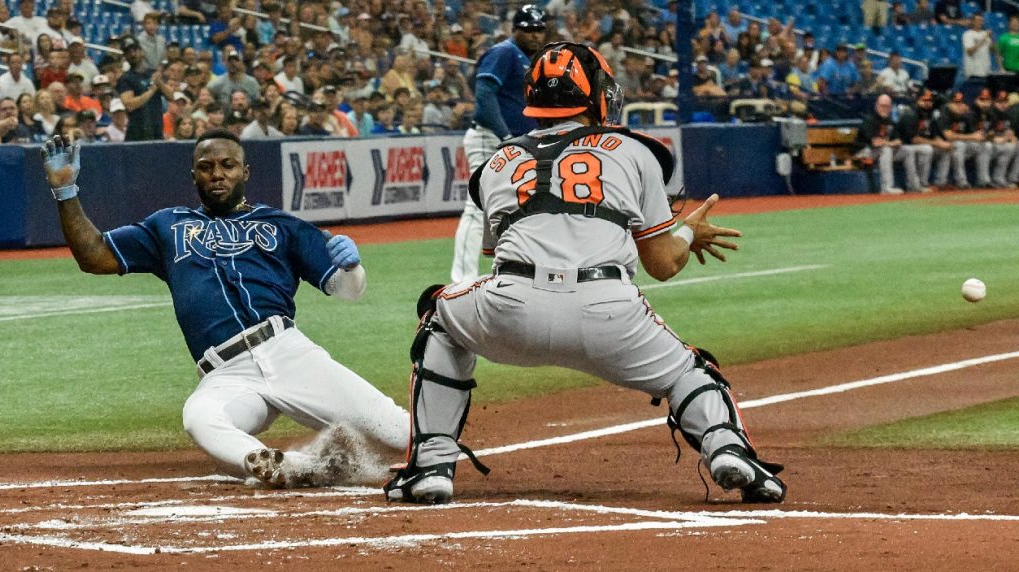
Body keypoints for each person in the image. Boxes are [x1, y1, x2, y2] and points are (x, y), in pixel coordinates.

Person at [383, 42, 786, 506]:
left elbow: (498, 259)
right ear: (593, 95)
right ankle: (728, 449)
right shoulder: (636, 152)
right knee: (691, 372)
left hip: (513, 307)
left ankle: (432, 465)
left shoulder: (496, 163)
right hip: (609, 311)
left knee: (438, 313)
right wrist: (688, 234)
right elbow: (662, 264)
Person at [40, 129, 410, 487]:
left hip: (288, 354)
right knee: (200, 417)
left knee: (395, 429)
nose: (217, 173)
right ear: (193, 175)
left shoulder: (281, 226)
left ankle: (439, 450)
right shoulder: (166, 226)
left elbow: (347, 290)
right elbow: (94, 256)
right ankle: (296, 466)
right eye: (206, 166)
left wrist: (351, 266)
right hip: (227, 373)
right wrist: (65, 192)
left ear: (245, 172)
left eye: (228, 165)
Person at [450, 4, 548, 285]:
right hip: (488, 137)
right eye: (529, 29)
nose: (535, 35)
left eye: (539, 29)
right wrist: (505, 135)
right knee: (477, 207)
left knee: (519, 205)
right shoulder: (504, 52)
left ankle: (513, 271)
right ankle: (462, 281)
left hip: (515, 143)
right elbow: (484, 98)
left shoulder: (534, 60)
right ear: (515, 30)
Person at [856, 94, 929, 194]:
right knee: (886, 149)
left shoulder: (890, 121)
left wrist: (887, 143)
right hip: (864, 152)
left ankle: (913, 186)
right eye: (882, 106)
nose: (885, 109)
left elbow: (899, 141)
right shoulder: (869, 120)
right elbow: (876, 142)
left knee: (908, 150)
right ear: (876, 105)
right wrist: (889, 143)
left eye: (887, 106)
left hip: (881, 151)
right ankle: (886, 188)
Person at [116, 35, 173, 141]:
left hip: (156, 130)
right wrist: (151, 91)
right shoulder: (125, 78)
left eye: (135, 50)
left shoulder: (153, 73)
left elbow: (171, 96)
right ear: (125, 56)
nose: (133, 54)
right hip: (136, 134)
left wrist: (160, 83)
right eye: (128, 52)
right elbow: (129, 105)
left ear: (141, 51)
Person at [938, 92, 992, 188]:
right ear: (949, 104)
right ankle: (961, 182)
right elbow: (948, 136)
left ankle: (983, 180)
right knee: (960, 145)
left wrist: (987, 136)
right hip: (942, 146)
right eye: (956, 102)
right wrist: (972, 137)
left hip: (960, 146)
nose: (960, 105)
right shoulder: (944, 113)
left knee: (984, 145)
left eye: (961, 102)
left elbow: (977, 133)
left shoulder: (966, 114)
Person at [899, 90, 950, 190]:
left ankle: (941, 182)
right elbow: (913, 139)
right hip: (907, 146)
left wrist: (942, 143)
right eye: (924, 100)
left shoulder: (930, 113)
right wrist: (936, 143)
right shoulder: (910, 113)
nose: (927, 103)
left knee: (946, 149)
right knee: (927, 149)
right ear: (918, 100)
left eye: (930, 100)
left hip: (924, 144)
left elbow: (935, 134)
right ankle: (923, 183)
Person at [972, 88, 1015, 188]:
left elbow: (993, 131)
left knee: (1010, 146)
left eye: (987, 100)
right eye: (982, 100)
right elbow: (977, 134)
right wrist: (993, 138)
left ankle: (998, 178)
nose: (985, 103)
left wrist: (1008, 136)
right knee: (987, 146)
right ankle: (983, 181)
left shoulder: (995, 113)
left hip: (988, 143)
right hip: (972, 143)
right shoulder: (973, 112)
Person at [962, 13, 994, 79]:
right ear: (972, 22)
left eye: (981, 20)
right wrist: (983, 39)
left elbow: (992, 51)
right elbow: (970, 52)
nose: (980, 22)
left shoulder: (985, 34)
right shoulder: (967, 34)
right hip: (973, 72)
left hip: (986, 71)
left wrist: (992, 39)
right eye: (978, 20)